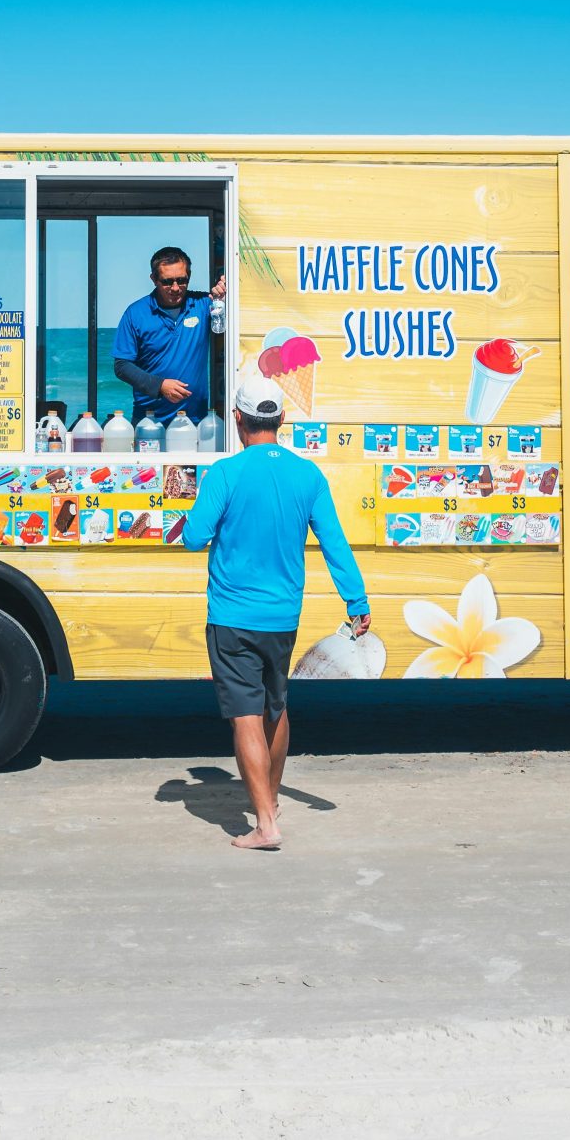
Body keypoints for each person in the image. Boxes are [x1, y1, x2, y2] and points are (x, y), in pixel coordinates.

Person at [172, 361, 367, 852]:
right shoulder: (308, 475)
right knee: (276, 710)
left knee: (245, 717)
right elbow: (335, 543)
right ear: (281, 421)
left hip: (233, 616)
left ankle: (265, 824)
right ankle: (271, 800)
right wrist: (356, 599)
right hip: (284, 618)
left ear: (238, 420)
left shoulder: (225, 472)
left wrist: (188, 518)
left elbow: (195, 539)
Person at [112, 245, 227, 427]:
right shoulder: (135, 313)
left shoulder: (204, 305)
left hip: (195, 420)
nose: (175, 288)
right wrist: (160, 385)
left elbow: (227, 317)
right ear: (153, 279)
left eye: (182, 280)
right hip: (149, 421)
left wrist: (224, 295)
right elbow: (122, 366)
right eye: (167, 282)